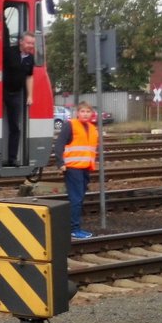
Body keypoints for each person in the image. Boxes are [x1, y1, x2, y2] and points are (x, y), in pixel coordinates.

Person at [55, 101, 98, 240]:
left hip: (85, 168)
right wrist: (60, 163)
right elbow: (59, 144)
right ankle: (74, 229)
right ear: (77, 113)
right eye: (82, 111)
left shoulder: (92, 128)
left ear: (92, 114)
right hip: (73, 168)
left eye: (88, 111)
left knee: (79, 198)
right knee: (76, 199)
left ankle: (75, 227)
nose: (85, 114)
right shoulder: (70, 125)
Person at [2, 31, 35, 166]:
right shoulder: (9, 52)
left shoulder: (30, 59)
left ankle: (12, 158)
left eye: (32, 43)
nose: (30, 46)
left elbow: (29, 77)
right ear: (21, 42)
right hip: (1, 92)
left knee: (15, 126)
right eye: (28, 43)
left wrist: (30, 95)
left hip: (16, 94)